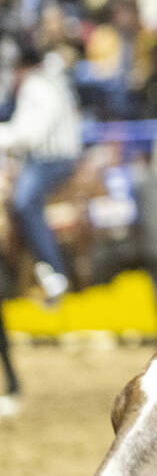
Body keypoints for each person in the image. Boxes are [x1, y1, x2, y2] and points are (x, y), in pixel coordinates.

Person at [0, 41, 83, 303]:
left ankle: (53, 271)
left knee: (24, 201)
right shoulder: (50, 81)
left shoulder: (37, 86)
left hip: (52, 160)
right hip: (48, 157)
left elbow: (31, 134)